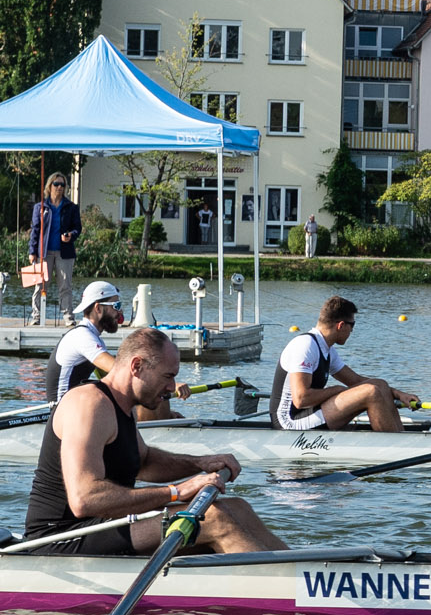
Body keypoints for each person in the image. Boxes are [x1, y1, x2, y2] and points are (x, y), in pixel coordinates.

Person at [21, 326, 285, 555]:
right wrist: (177, 491)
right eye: (168, 377)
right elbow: (85, 499)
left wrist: (202, 463)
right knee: (215, 518)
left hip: (104, 527)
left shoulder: (121, 405)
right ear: (136, 366)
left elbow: (145, 462)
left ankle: (306, 572)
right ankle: (289, 597)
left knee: (237, 508)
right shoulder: (89, 403)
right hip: (60, 539)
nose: (173, 388)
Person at [52, 281, 194, 420]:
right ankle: (157, 428)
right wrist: (170, 384)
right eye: (116, 306)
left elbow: (112, 381)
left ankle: (161, 420)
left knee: (141, 388)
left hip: (76, 406)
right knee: (146, 384)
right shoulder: (82, 337)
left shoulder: (93, 338)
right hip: (63, 412)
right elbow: (119, 370)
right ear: (98, 308)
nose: (119, 313)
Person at [272, 296, 416, 432]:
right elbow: (301, 399)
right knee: (371, 393)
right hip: (289, 422)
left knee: (380, 385)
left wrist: (399, 394)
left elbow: (357, 381)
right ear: (341, 325)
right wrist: (337, 390)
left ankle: (400, 436)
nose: (352, 330)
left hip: (310, 412)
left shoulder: (326, 348)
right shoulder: (305, 346)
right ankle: (391, 445)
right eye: (352, 325)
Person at [27, 171, 79, 328]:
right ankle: (36, 317)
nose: (59, 187)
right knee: (40, 285)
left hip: (65, 253)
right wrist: (32, 251)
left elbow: (77, 228)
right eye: (56, 184)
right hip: (44, 252)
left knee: (65, 286)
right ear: (49, 186)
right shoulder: (41, 207)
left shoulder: (71, 207)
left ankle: (68, 318)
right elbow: (35, 230)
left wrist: (71, 235)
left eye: (62, 185)